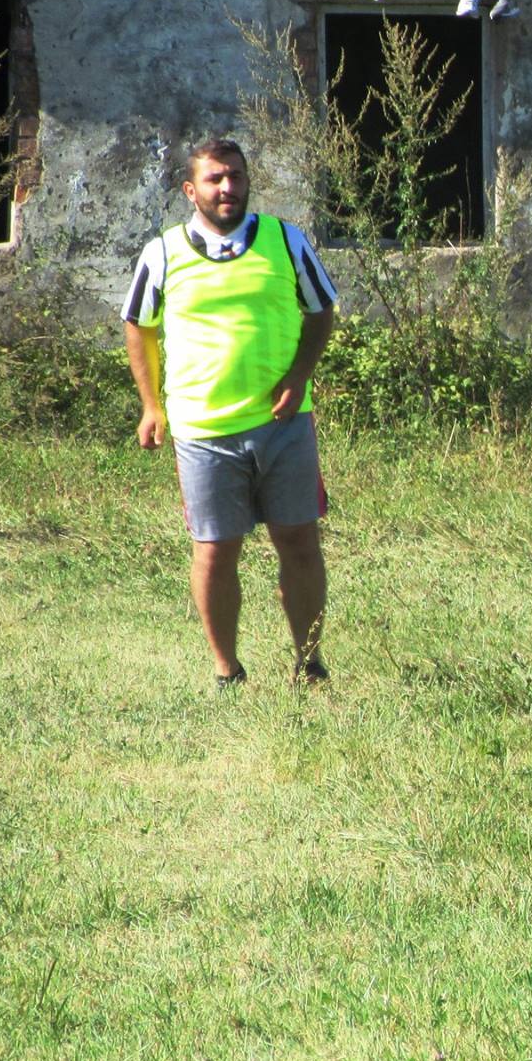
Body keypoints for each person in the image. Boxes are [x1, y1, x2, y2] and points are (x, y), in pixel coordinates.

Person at [122, 140, 340, 689]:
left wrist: (299, 375)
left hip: (284, 425)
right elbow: (139, 326)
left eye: (236, 176)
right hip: (203, 431)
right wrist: (151, 406)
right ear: (190, 190)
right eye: (215, 179)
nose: (227, 188)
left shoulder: (286, 240)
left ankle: (310, 665)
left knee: (299, 542)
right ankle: (227, 671)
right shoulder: (163, 253)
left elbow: (321, 311)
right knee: (215, 551)